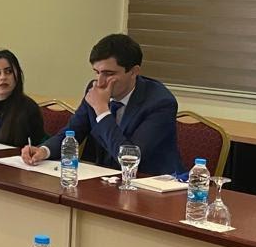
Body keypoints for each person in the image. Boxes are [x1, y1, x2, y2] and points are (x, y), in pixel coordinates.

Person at [21, 33, 182, 175]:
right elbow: (73, 132)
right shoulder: (94, 90)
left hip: (151, 184)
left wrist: (102, 110)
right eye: (97, 72)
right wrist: (44, 150)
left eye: (108, 74)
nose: (100, 82)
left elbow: (130, 159)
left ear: (134, 72)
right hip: (106, 179)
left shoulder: (160, 103)